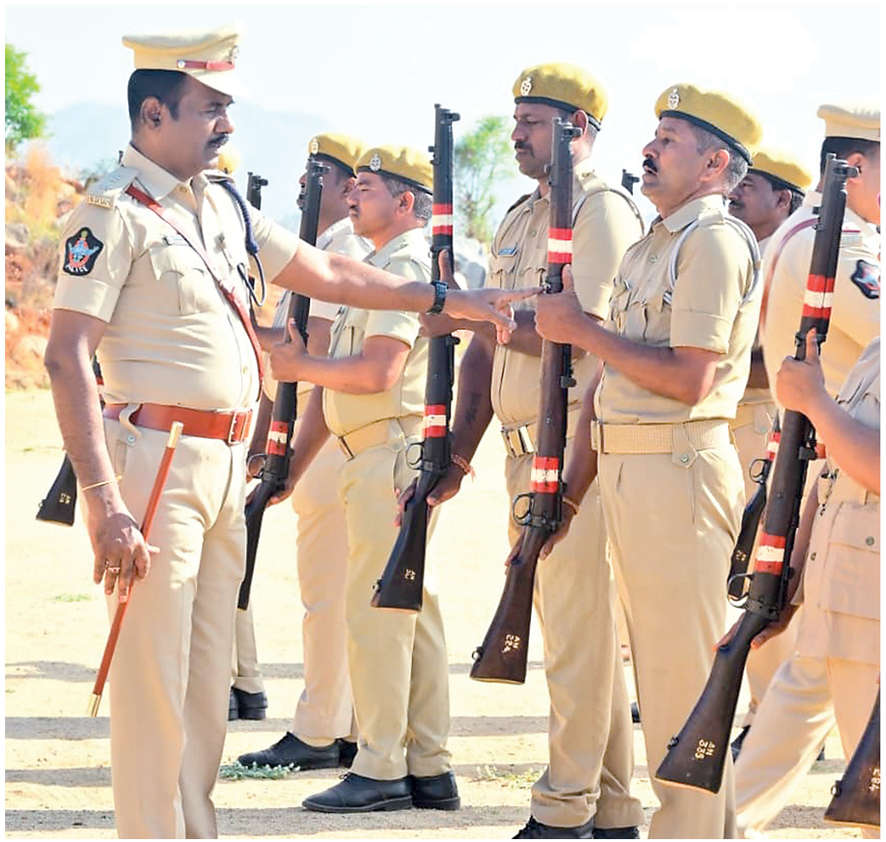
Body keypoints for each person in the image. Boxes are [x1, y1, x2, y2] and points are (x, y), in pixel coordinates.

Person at [43, 26, 528, 838]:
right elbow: (65, 357)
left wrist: (446, 300)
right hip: (155, 464)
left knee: (205, 684)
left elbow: (333, 272)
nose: (226, 124)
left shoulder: (222, 205)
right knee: (153, 677)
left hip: (221, 463)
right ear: (154, 114)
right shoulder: (110, 214)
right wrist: (102, 500)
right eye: (210, 108)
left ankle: (193, 829)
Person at [411, 63, 646, 839]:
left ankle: (562, 808)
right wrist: (456, 452)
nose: (516, 135)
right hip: (519, 451)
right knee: (578, 635)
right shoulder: (520, 218)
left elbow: (595, 339)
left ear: (579, 129)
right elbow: (488, 347)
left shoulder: (601, 212)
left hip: (572, 451)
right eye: (515, 121)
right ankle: (612, 808)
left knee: (577, 637)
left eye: (533, 123)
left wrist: (478, 318)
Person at [535, 83, 762, 837]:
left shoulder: (713, 241)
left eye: (668, 140)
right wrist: (569, 495)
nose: (648, 149)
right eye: (654, 136)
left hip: (678, 471)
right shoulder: (653, 242)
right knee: (662, 677)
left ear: (714, 163)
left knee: (677, 683)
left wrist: (581, 330)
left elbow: (690, 377)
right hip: (633, 470)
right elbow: (608, 382)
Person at [268, 145, 459, 813]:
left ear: (406, 202)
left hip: (388, 454)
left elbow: (377, 372)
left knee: (377, 614)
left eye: (368, 187)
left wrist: (300, 368)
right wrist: (292, 465)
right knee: (408, 613)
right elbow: (338, 389)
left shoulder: (402, 267)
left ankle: (381, 765)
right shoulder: (381, 266)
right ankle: (427, 765)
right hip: (374, 453)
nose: (351, 195)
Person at [734, 103, 880, 836]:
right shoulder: (834, 240)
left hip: (857, 529)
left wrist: (818, 403)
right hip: (838, 516)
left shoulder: (830, 237)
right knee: (795, 713)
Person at [232, 135, 370, 769]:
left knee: (327, 591)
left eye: (320, 172)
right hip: (319, 426)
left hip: (325, 431)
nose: (303, 183)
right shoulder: (323, 248)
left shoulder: (339, 249)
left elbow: (307, 347)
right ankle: (346, 724)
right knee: (338, 590)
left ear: (347, 188)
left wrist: (242, 325)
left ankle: (319, 730)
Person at [732, 332, 880, 838]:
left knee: (873, 806)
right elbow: (834, 474)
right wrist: (786, 589)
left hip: (870, 622)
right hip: (827, 603)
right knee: (741, 797)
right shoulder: (877, 350)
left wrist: (815, 401)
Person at [725, 147, 812, 758]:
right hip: (730, 419)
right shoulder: (739, 248)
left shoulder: (793, 257)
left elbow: (779, 360)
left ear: (783, 200)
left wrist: (716, 363)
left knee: (765, 569)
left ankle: (767, 717)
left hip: (765, 420)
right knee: (730, 569)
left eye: (749, 185)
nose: (735, 191)